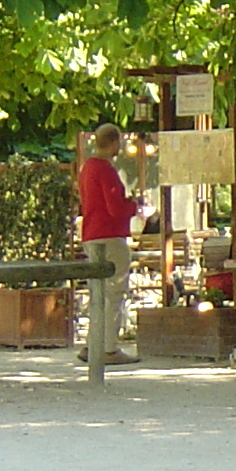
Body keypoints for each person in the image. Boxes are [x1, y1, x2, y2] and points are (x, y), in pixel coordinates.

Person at [76, 124, 138, 364]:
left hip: (91, 234)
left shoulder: (87, 168)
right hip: (111, 236)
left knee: (97, 293)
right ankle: (109, 349)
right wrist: (133, 206)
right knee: (114, 291)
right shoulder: (106, 170)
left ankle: (92, 345)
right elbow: (115, 208)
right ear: (113, 143)